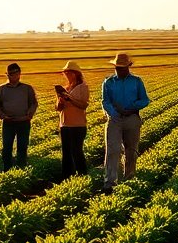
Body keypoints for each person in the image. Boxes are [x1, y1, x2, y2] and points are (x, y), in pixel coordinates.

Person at [101, 52, 150, 191]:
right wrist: (115, 113)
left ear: (128, 67)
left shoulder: (136, 81)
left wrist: (132, 108)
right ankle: (110, 182)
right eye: (117, 67)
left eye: (122, 67)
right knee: (113, 150)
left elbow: (145, 100)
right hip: (115, 120)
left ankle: (129, 178)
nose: (119, 70)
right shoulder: (108, 82)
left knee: (131, 151)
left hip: (132, 118)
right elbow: (105, 101)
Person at [0, 63, 38, 170]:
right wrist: (3, 116)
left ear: (19, 74)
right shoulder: (2, 89)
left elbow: (34, 103)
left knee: (22, 147)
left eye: (14, 73)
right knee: (7, 147)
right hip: (8, 123)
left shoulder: (27, 88)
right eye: (10, 74)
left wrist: (29, 115)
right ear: (7, 75)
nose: (12, 76)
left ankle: (21, 168)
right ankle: (7, 169)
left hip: (23, 122)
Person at [54, 60, 90, 179]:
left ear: (75, 73)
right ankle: (66, 177)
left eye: (68, 73)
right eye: (65, 73)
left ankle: (82, 175)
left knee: (77, 151)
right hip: (64, 124)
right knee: (66, 153)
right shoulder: (64, 88)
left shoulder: (83, 87)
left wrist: (70, 99)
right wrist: (61, 101)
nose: (66, 75)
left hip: (78, 125)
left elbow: (83, 105)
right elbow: (58, 109)